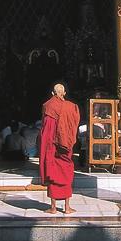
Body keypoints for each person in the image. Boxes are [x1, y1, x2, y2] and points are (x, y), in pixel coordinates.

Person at [39, 83, 80, 215]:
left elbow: (46, 130)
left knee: (53, 172)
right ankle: (67, 207)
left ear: (53, 93)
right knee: (65, 172)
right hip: (66, 145)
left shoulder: (48, 106)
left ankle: (53, 208)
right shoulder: (71, 107)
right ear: (64, 93)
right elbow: (73, 126)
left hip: (52, 146)